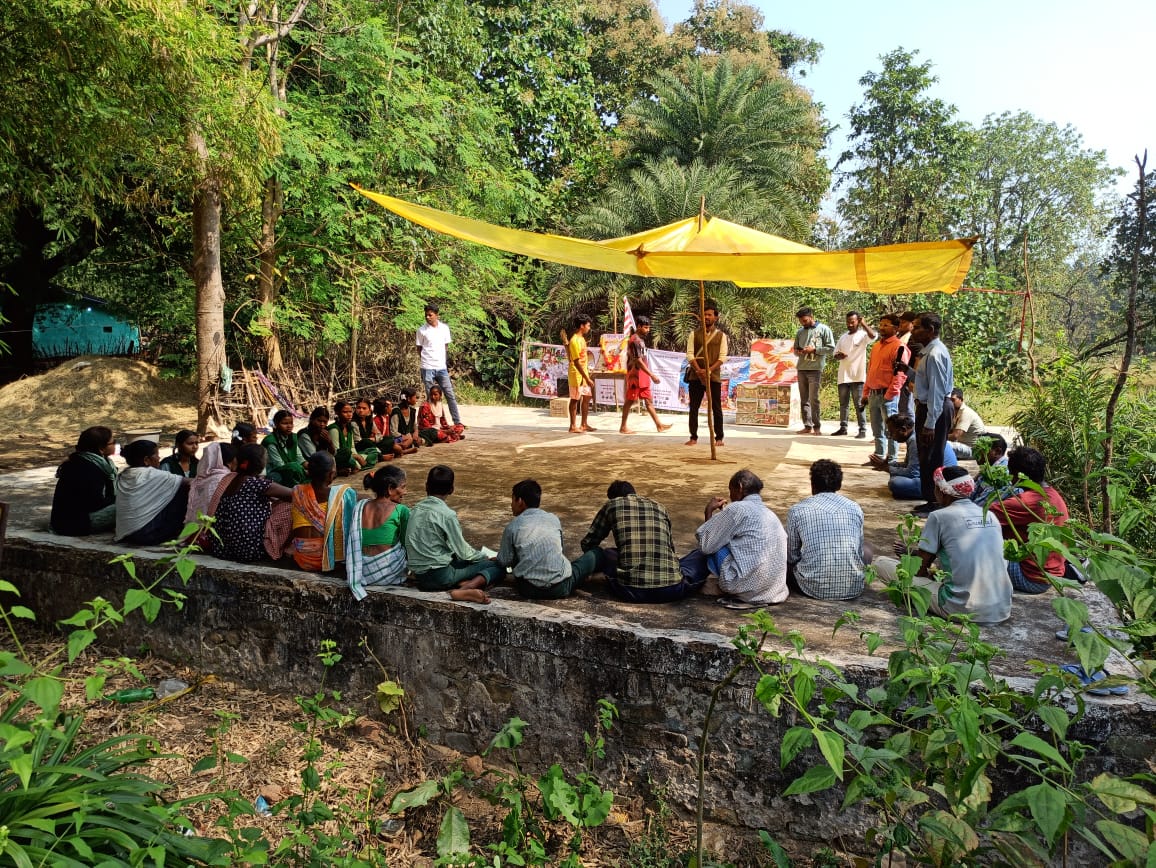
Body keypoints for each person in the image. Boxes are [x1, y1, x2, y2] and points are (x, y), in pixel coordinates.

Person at [873, 466, 1011, 625]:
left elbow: (920, 569)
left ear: (941, 490)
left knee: (881, 564)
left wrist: (913, 562)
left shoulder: (938, 516)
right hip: (1002, 608)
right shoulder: (990, 515)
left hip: (962, 609)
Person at [679, 469, 788, 608]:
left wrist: (709, 511)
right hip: (774, 592)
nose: (730, 496)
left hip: (744, 586)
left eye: (731, 490)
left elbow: (707, 544)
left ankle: (731, 587)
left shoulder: (737, 508)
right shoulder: (770, 514)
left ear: (740, 487)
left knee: (713, 545)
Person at [580, 480, 701, 603]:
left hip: (629, 591)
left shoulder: (612, 505)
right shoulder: (660, 507)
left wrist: (597, 563)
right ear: (634, 493)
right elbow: (671, 550)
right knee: (701, 553)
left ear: (613, 497)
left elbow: (589, 543)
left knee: (605, 553)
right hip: (672, 589)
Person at [405, 465, 503, 601]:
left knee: (460, 560)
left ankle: (462, 582)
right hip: (439, 576)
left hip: (420, 576)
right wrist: (484, 556)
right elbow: (464, 552)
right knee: (497, 567)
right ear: (452, 489)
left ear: (426, 486)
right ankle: (466, 588)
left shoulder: (414, 510)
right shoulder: (447, 515)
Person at [498, 479, 599, 600]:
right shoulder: (553, 519)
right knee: (595, 553)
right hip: (560, 587)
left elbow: (504, 561)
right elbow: (559, 551)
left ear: (520, 501)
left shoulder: (512, 527)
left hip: (528, 589)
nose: (511, 505)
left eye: (512, 500)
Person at [989, 446, 1071, 594]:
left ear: (1017, 475)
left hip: (1030, 577)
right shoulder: (1052, 494)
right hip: (1051, 574)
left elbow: (977, 517)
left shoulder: (1027, 501)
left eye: (1010, 473)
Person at [786, 460, 871, 601]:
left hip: (812, 587)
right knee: (867, 548)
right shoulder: (854, 507)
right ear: (839, 485)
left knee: (781, 553)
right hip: (853, 587)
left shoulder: (797, 510)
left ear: (812, 485)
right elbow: (859, 552)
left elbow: (792, 557)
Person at [210, 444, 294, 563]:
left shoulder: (230, 479)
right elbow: (296, 494)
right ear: (261, 465)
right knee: (291, 506)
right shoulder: (257, 484)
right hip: (250, 550)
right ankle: (278, 548)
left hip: (222, 548)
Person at [345, 465, 410, 600]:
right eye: (403, 487)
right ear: (390, 489)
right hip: (388, 573)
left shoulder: (360, 506)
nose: (406, 492)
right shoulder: (401, 510)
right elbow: (406, 544)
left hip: (362, 572)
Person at [911, 313, 954, 515]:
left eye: (917, 327)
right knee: (925, 456)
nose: (913, 331)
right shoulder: (928, 352)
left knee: (932, 457)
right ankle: (930, 499)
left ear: (930, 330)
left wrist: (930, 424)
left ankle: (936, 502)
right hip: (928, 407)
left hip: (934, 409)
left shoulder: (935, 354)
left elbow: (937, 391)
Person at [289, 451, 358, 572]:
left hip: (302, 558)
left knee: (283, 508)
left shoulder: (297, 491)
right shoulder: (343, 494)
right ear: (331, 474)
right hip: (328, 560)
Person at [114, 439, 191, 545]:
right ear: (146, 460)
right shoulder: (152, 474)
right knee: (182, 490)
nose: (159, 458)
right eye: (156, 455)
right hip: (148, 535)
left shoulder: (123, 475)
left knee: (172, 488)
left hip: (126, 533)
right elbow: (191, 482)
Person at [50, 426, 118, 536]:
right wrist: (118, 499)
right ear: (101, 448)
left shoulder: (84, 460)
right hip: (74, 525)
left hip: (65, 522)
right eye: (113, 442)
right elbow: (95, 504)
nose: (115, 445)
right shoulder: (88, 468)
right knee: (130, 505)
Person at [862, 313, 908, 465]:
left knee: (892, 429)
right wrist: (866, 392)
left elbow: (901, 374)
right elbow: (870, 370)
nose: (882, 328)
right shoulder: (876, 346)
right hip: (874, 394)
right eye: (881, 325)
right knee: (877, 428)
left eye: (886, 325)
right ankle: (879, 456)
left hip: (888, 395)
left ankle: (892, 459)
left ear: (896, 328)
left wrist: (890, 394)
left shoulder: (899, 347)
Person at [881, 414, 959, 500]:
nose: (891, 437)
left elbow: (913, 472)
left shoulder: (915, 440)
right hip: (940, 478)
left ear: (903, 430)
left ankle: (933, 494)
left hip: (942, 482)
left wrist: (887, 468)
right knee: (895, 478)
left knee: (895, 483)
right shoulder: (914, 436)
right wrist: (890, 465)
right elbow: (909, 465)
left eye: (892, 433)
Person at [685, 301, 728, 447]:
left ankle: (719, 438)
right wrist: (698, 370)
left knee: (716, 408)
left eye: (709, 315)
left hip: (713, 377)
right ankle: (693, 437)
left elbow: (723, 357)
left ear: (716, 317)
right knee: (694, 407)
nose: (706, 317)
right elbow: (690, 354)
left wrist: (709, 370)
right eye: (704, 315)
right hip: (695, 377)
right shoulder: (694, 334)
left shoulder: (721, 336)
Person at [619, 316, 672, 435]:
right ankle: (623, 426)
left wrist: (648, 374)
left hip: (642, 375)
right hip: (635, 375)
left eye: (648, 328)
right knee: (630, 400)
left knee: (648, 401)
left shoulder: (640, 340)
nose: (648, 330)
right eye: (646, 327)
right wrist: (651, 374)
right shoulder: (635, 340)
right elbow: (637, 360)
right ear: (638, 326)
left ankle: (659, 425)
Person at [416, 302, 464, 427]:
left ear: (437, 315)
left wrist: (441, 359)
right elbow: (419, 349)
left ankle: (457, 421)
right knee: (431, 397)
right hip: (427, 367)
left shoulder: (444, 328)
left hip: (441, 367)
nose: (428, 317)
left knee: (449, 394)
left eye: (430, 315)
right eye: (426, 315)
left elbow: (445, 346)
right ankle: (432, 423)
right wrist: (426, 360)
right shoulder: (421, 330)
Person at [791, 306, 836, 435]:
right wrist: (799, 351)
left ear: (811, 317)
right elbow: (795, 350)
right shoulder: (800, 332)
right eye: (801, 321)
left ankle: (817, 426)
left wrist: (815, 350)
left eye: (805, 320)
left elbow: (831, 348)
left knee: (813, 398)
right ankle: (807, 425)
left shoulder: (824, 329)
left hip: (815, 369)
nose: (803, 323)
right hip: (801, 368)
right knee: (804, 399)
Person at [831, 312, 875, 438]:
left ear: (858, 321)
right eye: (848, 322)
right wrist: (839, 355)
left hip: (857, 376)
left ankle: (862, 430)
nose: (850, 324)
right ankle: (843, 428)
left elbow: (873, 336)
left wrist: (864, 324)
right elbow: (835, 354)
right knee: (843, 404)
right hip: (843, 376)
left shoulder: (863, 335)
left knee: (859, 404)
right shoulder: (843, 337)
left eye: (852, 322)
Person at [567, 314, 596, 433]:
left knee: (587, 396)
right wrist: (587, 378)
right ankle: (572, 426)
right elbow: (576, 362)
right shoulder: (574, 341)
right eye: (588, 325)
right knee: (575, 399)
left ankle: (584, 424)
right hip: (576, 374)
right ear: (582, 326)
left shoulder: (582, 339)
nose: (589, 328)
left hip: (584, 374)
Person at [329, 399, 376, 474]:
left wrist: (358, 457)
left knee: (373, 452)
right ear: (337, 413)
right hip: (340, 458)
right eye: (345, 412)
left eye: (350, 412)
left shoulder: (349, 427)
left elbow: (352, 447)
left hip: (351, 455)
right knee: (346, 452)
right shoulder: (334, 429)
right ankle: (350, 467)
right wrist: (357, 458)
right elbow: (336, 452)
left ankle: (354, 466)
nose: (349, 415)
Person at [969, 433, 1015, 506]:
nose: (975, 454)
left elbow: (980, 506)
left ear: (997, 452)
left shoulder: (999, 474)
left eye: (980, 449)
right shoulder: (989, 468)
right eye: (974, 449)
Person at [263, 410, 308, 485]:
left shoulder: (293, 437)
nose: (289, 426)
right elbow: (279, 465)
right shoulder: (270, 442)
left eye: (291, 423)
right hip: (276, 471)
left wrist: (311, 467)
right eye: (285, 423)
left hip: (292, 468)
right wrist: (304, 471)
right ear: (276, 424)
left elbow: (300, 458)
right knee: (279, 476)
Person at [947, 388, 986, 460]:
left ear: (961, 399)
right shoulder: (954, 412)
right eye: (949, 400)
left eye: (953, 400)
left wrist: (938, 437)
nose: (950, 403)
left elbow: (955, 436)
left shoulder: (966, 413)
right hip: (964, 445)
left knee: (943, 444)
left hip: (973, 450)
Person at [895, 311, 918, 417]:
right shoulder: (899, 336)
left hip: (907, 378)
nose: (901, 324)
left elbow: (918, 358)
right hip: (897, 377)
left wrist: (912, 379)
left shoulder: (913, 338)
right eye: (900, 322)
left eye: (904, 322)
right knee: (899, 408)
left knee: (906, 409)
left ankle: (910, 428)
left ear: (912, 324)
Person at [389, 388, 422, 454]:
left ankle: (405, 447)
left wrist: (416, 432)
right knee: (407, 441)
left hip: (408, 436)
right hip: (398, 437)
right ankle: (404, 451)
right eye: (415, 397)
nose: (416, 400)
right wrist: (405, 437)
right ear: (409, 399)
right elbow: (393, 432)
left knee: (418, 440)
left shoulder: (412, 410)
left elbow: (414, 425)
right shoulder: (396, 411)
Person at [352, 398, 384, 465]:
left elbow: (379, 435)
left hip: (371, 443)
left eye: (364, 408)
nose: (361, 410)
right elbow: (358, 441)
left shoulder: (369, 420)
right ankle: (380, 456)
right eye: (358, 408)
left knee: (389, 439)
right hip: (360, 446)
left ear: (369, 410)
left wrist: (374, 439)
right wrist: (370, 440)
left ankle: (377, 453)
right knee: (366, 442)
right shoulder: (353, 422)